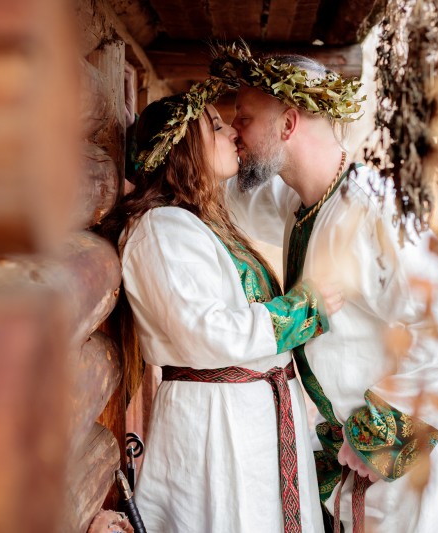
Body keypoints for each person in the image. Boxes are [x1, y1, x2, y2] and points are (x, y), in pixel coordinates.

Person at [212, 43, 438, 532]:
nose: (233, 132)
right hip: (374, 473)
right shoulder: (303, 203)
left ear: (288, 125)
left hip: (423, 468)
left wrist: (378, 442)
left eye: (242, 119)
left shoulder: (375, 209)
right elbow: (233, 196)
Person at [98, 78, 345, 533]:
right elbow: (205, 332)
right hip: (217, 423)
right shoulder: (159, 229)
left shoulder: (201, 220)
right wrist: (303, 309)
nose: (231, 131)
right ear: (182, 148)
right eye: (215, 126)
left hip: (250, 415)